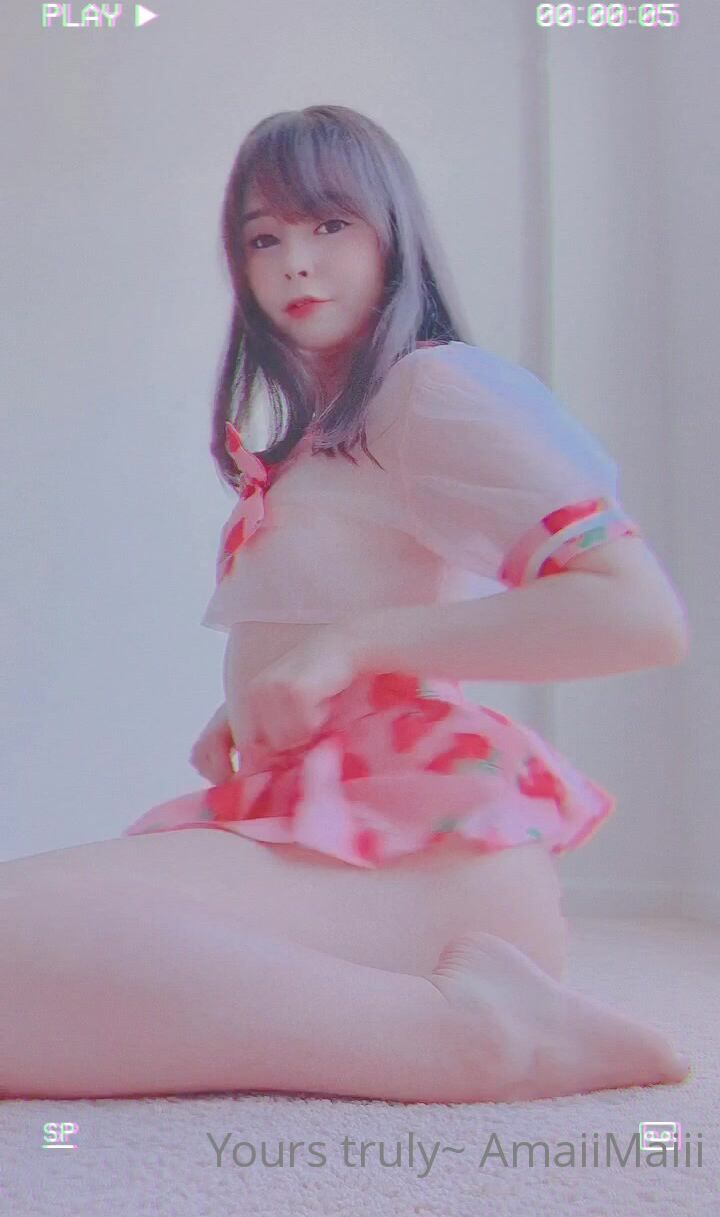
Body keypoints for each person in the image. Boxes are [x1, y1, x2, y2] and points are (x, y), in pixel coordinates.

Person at [3, 105, 691, 1104]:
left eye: (330, 225)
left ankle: (475, 1035)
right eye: (263, 238)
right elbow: (357, 595)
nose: (295, 262)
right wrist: (261, 692)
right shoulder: (337, 429)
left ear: (392, 235)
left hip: (423, 853)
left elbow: (638, 616)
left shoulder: (433, 386)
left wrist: (351, 644)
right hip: (334, 829)